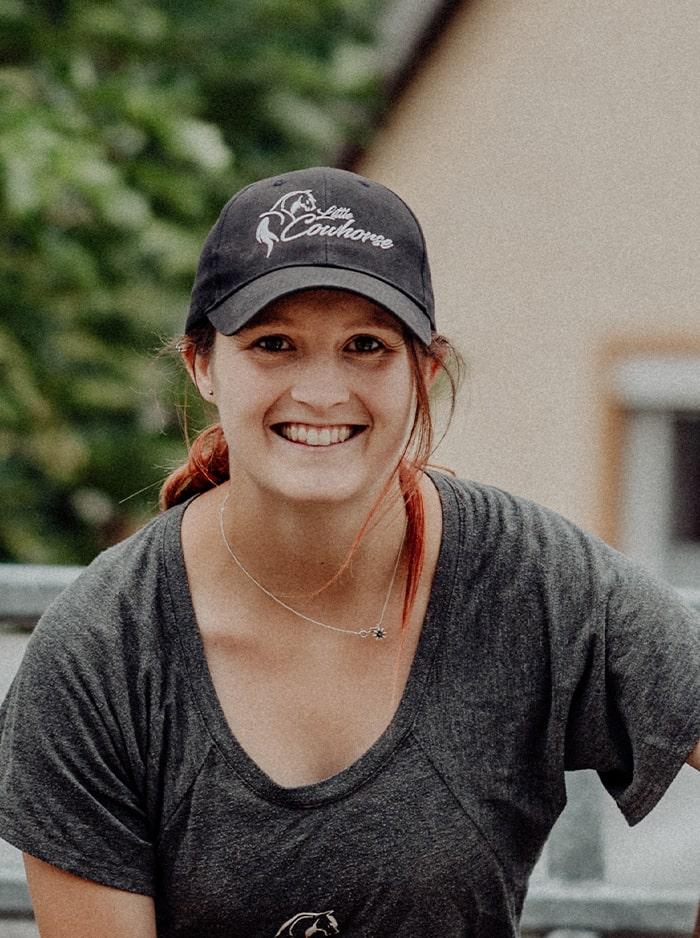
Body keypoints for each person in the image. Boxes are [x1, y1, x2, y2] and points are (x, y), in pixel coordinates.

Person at [0, 166, 698, 938]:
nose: (323, 392)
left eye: (366, 345)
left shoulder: (532, 583)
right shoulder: (101, 653)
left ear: (424, 371)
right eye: (274, 344)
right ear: (202, 365)